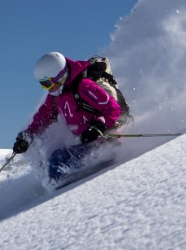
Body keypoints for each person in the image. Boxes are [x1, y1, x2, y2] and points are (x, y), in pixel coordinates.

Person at [12, 52, 123, 184]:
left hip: (106, 140)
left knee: (57, 162)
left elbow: (113, 108)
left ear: (60, 76)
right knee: (46, 165)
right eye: (43, 85)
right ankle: (54, 187)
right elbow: (43, 117)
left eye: (48, 83)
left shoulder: (84, 86)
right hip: (86, 142)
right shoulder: (56, 95)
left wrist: (98, 126)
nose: (47, 88)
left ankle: (61, 194)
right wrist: (27, 135)